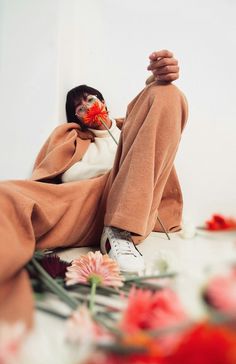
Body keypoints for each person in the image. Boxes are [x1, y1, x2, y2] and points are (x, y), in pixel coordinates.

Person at [0, 49, 187, 325]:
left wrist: (157, 80)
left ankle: (120, 231)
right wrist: (106, 174)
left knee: (168, 93)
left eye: (90, 100)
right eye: (80, 108)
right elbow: (62, 177)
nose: (88, 108)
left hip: (135, 204)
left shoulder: (129, 130)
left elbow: (147, 113)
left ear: (103, 102)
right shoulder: (74, 138)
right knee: (8, 194)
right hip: (86, 201)